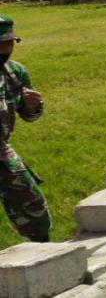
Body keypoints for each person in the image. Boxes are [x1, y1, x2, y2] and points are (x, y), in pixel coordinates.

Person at [0, 15, 51, 242]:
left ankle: (45, 252)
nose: (5, 49)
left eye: (9, 43)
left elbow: (29, 116)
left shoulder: (15, 73)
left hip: (1, 150)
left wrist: (33, 107)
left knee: (31, 203)